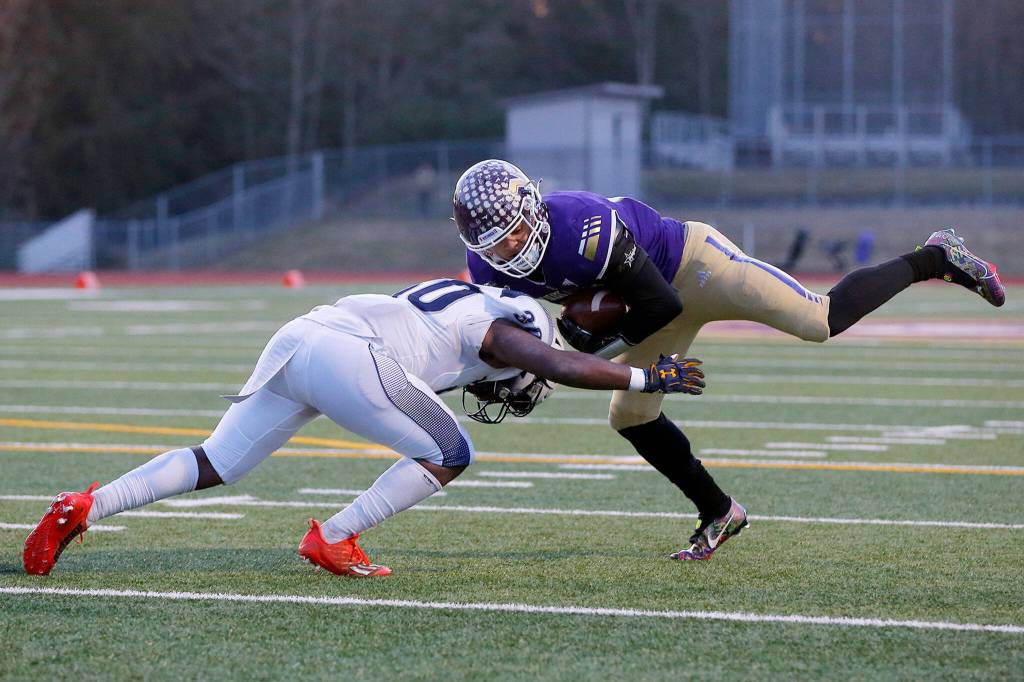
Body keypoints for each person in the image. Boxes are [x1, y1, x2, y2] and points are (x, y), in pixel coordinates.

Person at [452, 159, 1006, 561]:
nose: (510, 250)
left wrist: (582, 351)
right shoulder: (487, 272)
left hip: (696, 268)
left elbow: (659, 303)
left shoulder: (582, 227)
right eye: (496, 244)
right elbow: (507, 332)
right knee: (630, 416)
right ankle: (719, 511)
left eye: (517, 231)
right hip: (646, 308)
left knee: (819, 320)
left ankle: (935, 255)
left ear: (534, 206)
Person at [23, 279, 706, 577]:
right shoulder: (510, 328)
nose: (518, 389)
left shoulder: (469, 300)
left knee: (218, 461)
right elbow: (556, 360)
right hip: (355, 358)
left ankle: (89, 504)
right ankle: (334, 537)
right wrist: (650, 378)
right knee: (454, 450)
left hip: (306, 334)